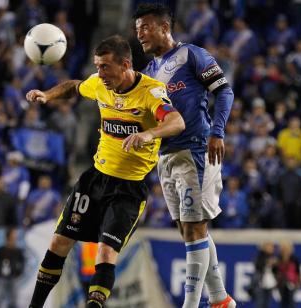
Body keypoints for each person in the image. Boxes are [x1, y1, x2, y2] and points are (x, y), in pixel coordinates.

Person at [26, 35, 185, 308]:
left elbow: (176, 121)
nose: (99, 73)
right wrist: (48, 95)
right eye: (97, 66)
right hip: (95, 180)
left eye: (105, 67)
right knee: (59, 242)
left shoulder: (151, 91)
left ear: (125, 65)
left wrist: (150, 133)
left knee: (105, 252)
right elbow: (75, 87)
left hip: (128, 189)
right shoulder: (100, 85)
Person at [133, 4, 235, 307]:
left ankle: (192, 304)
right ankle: (220, 300)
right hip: (166, 157)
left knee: (194, 227)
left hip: (195, 149)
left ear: (165, 27)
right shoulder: (149, 72)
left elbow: (224, 91)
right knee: (187, 229)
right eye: (137, 30)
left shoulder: (192, 55)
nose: (140, 34)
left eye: (146, 28)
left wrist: (218, 132)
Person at [0, 229, 25, 308]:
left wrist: (18, 273)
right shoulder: (1, 249)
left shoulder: (18, 251)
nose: (15, 237)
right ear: (8, 237)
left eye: (15, 236)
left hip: (13, 277)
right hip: (1, 277)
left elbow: (22, 263)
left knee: (13, 299)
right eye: (13, 236)